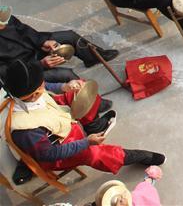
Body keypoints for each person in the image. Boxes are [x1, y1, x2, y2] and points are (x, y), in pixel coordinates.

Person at [2, 59, 165, 177]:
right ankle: (141, 156)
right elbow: (50, 154)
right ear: (36, 92)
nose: (45, 85)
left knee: (81, 91)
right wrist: (86, 142)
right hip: (56, 150)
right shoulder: (26, 130)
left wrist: (64, 87)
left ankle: (94, 126)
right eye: (42, 84)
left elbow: (47, 88)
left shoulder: (25, 93)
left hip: (53, 119)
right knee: (95, 153)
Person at [0, 4, 119, 82]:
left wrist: (42, 41)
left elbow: (24, 30)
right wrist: (40, 65)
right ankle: (91, 107)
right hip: (26, 70)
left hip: (33, 49)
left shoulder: (4, 17)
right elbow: (6, 74)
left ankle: (92, 57)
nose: (5, 23)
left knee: (69, 36)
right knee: (66, 75)